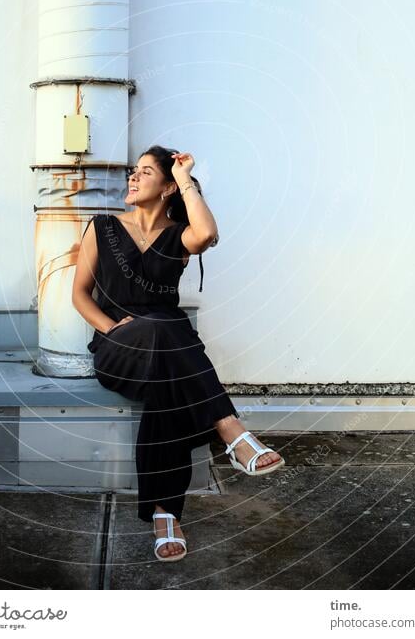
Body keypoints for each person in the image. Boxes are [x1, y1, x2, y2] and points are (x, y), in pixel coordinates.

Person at [72, 145, 285, 562]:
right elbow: (79, 295)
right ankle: (229, 430)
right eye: (134, 172)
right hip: (118, 346)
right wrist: (112, 328)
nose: (132, 178)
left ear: (168, 187)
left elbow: (205, 233)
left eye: (146, 172)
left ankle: (163, 512)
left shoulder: (176, 236)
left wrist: (185, 175)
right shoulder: (102, 227)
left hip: (166, 350)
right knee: (165, 330)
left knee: (165, 387)